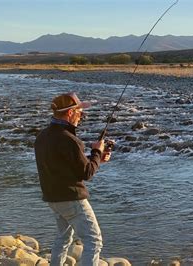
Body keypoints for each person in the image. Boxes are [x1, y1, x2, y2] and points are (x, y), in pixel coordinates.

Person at [34, 92, 111, 266]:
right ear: (70, 113)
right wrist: (97, 152)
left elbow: (66, 166)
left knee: (63, 238)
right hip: (71, 198)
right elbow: (87, 173)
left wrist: (97, 158)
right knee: (94, 240)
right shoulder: (70, 140)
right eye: (79, 112)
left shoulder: (42, 137)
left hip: (52, 198)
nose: (81, 115)